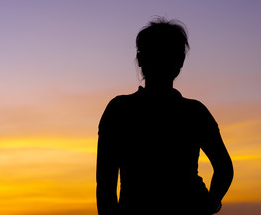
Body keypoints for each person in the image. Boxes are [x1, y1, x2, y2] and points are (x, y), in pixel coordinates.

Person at [96, 17, 233, 215]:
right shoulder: (194, 112)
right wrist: (211, 202)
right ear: (180, 62)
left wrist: (210, 203)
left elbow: (105, 185)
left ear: (140, 59)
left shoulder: (119, 109)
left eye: (167, 54)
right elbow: (224, 169)